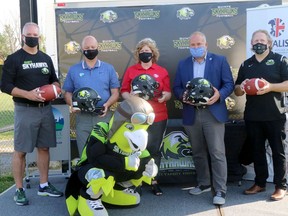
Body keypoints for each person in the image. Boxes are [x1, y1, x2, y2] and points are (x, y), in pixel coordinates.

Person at [0, 22, 63, 206]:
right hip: (25, 110)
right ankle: (19, 189)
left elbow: (55, 81)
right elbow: (5, 85)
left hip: (45, 110)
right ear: (22, 36)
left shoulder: (45, 58)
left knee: (44, 148)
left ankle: (43, 185)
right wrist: (28, 94)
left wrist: (55, 88)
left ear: (39, 36)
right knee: (20, 151)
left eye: (36, 34)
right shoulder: (14, 59)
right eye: (29, 34)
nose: (33, 37)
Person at [65, 96, 158, 216]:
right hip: (90, 168)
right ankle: (90, 197)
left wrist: (151, 167)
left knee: (143, 167)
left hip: (116, 171)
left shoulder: (135, 140)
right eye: (130, 127)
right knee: (102, 173)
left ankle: (118, 189)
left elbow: (145, 156)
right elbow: (95, 158)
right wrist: (124, 163)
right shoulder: (103, 129)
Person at [173, 31, 234, 205]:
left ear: (206, 45)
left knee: (217, 152)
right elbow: (177, 87)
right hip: (192, 112)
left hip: (213, 111)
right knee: (198, 151)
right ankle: (204, 183)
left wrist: (219, 95)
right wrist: (182, 96)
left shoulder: (220, 60)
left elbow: (229, 83)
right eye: (192, 45)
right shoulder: (183, 64)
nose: (196, 47)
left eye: (199, 44)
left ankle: (220, 190)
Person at [234, 29, 288, 201]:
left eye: (262, 40)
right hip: (253, 116)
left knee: (278, 152)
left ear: (269, 43)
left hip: (275, 115)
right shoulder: (246, 64)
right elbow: (237, 90)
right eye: (255, 40)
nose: (258, 43)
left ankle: (281, 186)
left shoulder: (280, 60)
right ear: (251, 44)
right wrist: (241, 87)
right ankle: (260, 183)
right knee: (257, 152)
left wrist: (270, 87)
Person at [121, 38, 171, 196]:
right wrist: (132, 99)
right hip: (137, 117)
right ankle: (136, 181)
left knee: (154, 150)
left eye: (148, 51)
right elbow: (123, 91)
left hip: (158, 116)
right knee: (136, 150)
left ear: (153, 53)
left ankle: (153, 180)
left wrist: (164, 97)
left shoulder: (162, 71)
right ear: (138, 53)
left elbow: (168, 93)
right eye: (142, 51)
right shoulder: (131, 70)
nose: (145, 54)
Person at [63, 35, 120, 155]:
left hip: (103, 116)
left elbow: (115, 93)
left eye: (93, 47)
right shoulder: (74, 70)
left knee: (105, 153)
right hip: (82, 117)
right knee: (84, 154)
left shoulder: (108, 69)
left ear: (98, 47)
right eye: (87, 47)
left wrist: (107, 104)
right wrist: (72, 104)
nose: (90, 49)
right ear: (82, 49)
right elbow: (67, 92)